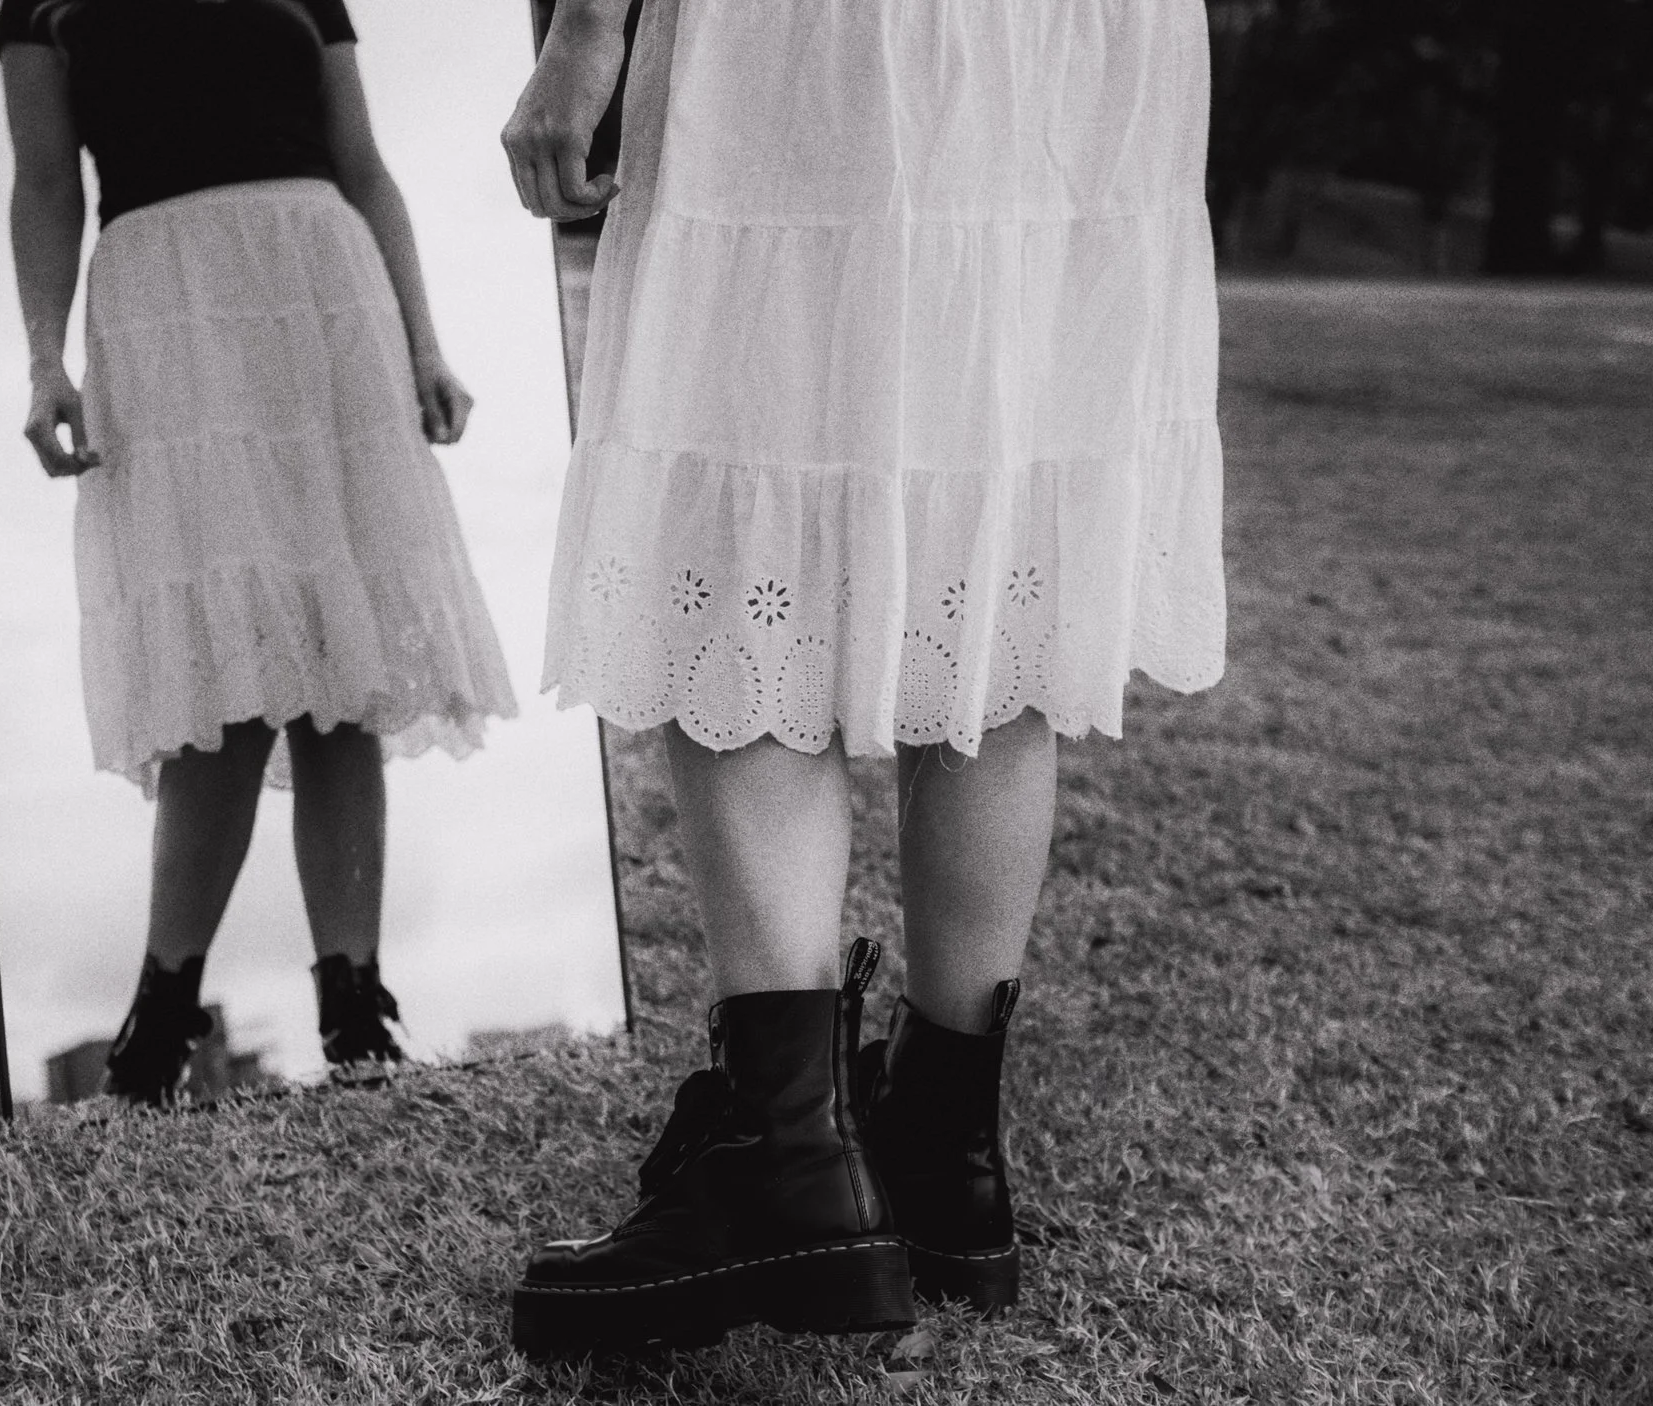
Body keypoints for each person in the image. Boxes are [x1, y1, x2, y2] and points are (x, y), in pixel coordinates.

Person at [502, 0, 1226, 1354]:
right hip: (1088, 43)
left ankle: (795, 1163)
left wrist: (587, 27)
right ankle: (944, 1163)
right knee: (992, 536)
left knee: (736, 524)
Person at [0, 0, 518, 1104]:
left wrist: (424, 341)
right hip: (165, 303)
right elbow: (45, 184)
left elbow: (364, 166)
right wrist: (44, 362)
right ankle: (160, 1020)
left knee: (341, 660)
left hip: (323, 289)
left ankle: (357, 1015)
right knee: (223, 673)